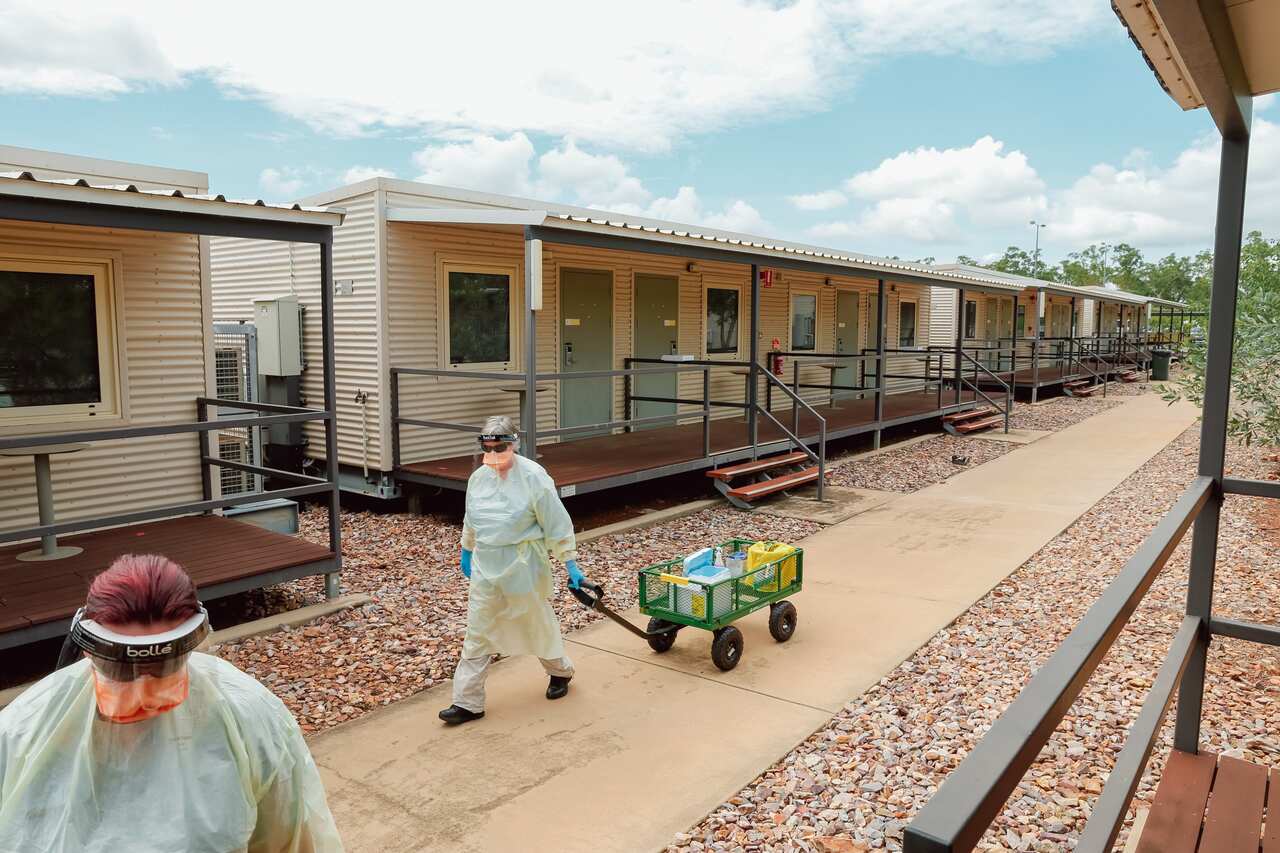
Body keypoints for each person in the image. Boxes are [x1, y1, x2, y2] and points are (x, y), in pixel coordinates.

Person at [0, 554, 344, 852]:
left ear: (190, 649)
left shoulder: (246, 716)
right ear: (88, 647)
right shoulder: (27, 728)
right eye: (122, 669)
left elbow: (288, 838)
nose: (142, 693)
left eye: (160, 668)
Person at [439, 415, 585, 725]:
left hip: (523, 565)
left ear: (513, 445)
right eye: (488, 448)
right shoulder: (478, 478)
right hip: (486, 564)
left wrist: (570, 562)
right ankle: (467, 703)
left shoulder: (534, 476)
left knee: (536, 622)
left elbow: (556, 522)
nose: (493, 454)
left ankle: (560, 672)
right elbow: (472, 517)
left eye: (500, 447)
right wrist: (467, 549)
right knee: (477, 631)